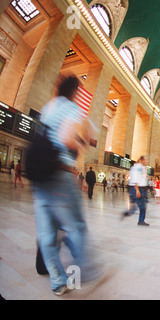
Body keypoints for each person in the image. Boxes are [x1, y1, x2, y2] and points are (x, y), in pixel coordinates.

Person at [32, 75, 99, 295]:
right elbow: (66, 139)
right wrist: (83, 141)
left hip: (40, 176)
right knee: (76, 227)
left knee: (47, 235)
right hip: (60, 174)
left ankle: (58, 282)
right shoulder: (71, 108)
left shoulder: (48, 106)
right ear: (75, 92)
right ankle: (87, 270)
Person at [122, 156, 149, 226]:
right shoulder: (138, 167)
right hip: (138, 188)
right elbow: (135, 179)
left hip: (139, 188)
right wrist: (137, 190)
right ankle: (141, 221)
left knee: (135, 207)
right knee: (142, 207)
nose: (146, 161)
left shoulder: (142, 167)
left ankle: (128, 213)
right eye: (146, 160)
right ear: (142, 160)